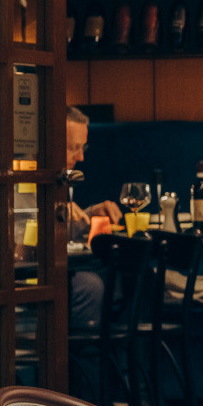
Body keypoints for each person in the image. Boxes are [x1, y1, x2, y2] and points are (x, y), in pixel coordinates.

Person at [65, 107, 122, 331]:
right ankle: (83, 361)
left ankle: (119, 358)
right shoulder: (26, 173)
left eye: (83, 147)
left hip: (68, 266)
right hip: (36, 272)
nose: (81, 157)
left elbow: (66, 222)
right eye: (73, 148)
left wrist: (91, 214)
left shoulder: (63, 176)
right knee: (91, 286)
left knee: (136, 276)